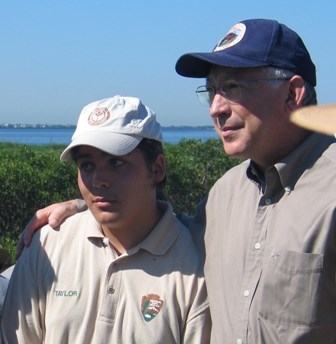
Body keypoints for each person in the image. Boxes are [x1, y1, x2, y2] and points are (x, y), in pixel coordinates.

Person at [18, 18, 336, 343]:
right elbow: (153, 224)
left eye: (233, 88)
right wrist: (83, 205)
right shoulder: (226, 195)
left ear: (293, 93)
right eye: (211, 90)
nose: (215, 108)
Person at [1, 96, 211, 343]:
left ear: (157, 168)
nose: (99, 180)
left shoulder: (195, 266)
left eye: (116, 162)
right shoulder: (47, 245)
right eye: (87, 166)